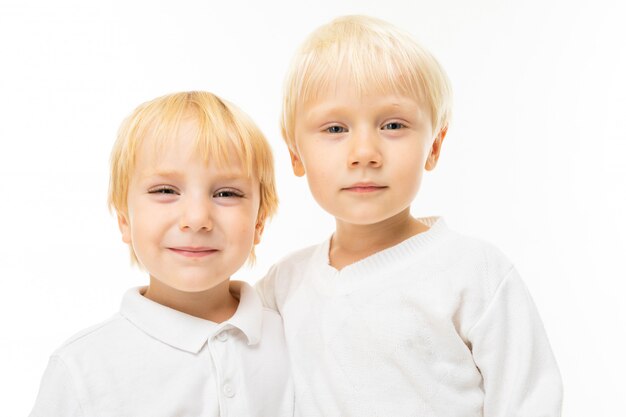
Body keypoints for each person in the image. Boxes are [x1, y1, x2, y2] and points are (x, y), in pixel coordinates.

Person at [256, 15, 562, 417]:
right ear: (296, 153)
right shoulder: (282, 287)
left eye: (393, 124)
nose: (364, 152)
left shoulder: (475, 273)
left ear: (434, 146)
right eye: (334, 129)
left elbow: (528, 400)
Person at [30, 91, 293, 417]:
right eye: (165, 191)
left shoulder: (296, 337)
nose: (197, 219)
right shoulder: (82, 370)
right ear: (124, 220)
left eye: (226, 193)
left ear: (259, 222)